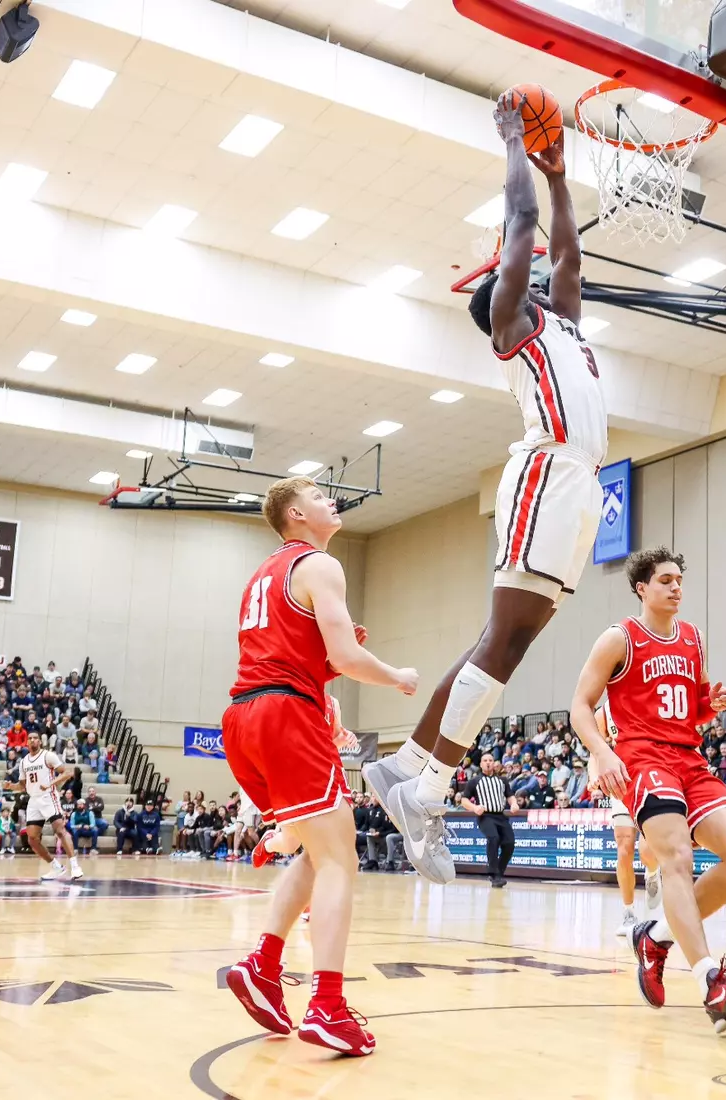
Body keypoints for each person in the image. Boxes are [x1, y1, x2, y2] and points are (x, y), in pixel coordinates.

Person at [365, 94, 606, 886]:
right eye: (520, 276)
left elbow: (566, 257)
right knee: (502, 642)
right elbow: (524, 230)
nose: (535, 277)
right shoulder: (512, 323)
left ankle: (406, 767)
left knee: (506, 643)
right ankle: (427, 791)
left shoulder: (561, 321)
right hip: (546, 474)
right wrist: (512, 146)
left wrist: (560, 174)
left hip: (578, 484)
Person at [221, 476, 417, 1056]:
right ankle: (327, 1005)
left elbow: (291, 656)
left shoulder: (263, 575)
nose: (332, 500)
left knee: (316, 850)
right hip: (284, 714)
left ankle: (263, 965)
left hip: (245, 717)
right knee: (339, 859)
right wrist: (398, 677)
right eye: (319, 496)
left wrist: (323, 684)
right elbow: (347, 656)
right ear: (297, 515)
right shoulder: (319, 565)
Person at [568, 547, 726, 1034]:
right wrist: (602, 752)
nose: (676, 587)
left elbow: (693, 710)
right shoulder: (619, 638)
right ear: (642, 588)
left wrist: (710, 705)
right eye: (665, 580)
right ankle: (711, 984)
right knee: (676, 857)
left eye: (679, 580)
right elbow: (579, 706)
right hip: (643, 759)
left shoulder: (693, 638)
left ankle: (654, 935)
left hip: (689, 759)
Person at [594, 706, 660, 936]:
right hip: (621, 782)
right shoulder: (603, 713)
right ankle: (628, 912)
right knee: (624, 849)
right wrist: (594, 777)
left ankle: (653, 872)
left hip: (650, 778)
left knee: (647, 850)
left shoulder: (647, 699)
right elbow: (595, 751)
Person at [12, 730, 83, 882]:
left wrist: (51, 784)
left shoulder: (48, 756)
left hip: (49, 797)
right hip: (34, 800)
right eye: (30, 738)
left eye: (35, 738)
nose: (32, 740)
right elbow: (22, 786)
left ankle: (75, 866)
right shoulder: (23, 762)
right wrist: (10, 786)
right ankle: (55, 866)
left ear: (40, 741)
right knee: (32, 839)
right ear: (27, 742)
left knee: (60, 830)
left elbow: (67, 773)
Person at [458, 753, 515, 888]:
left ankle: (498, 872)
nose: (488, 762)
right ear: (481, 764)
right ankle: (494, 874)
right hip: (485, 816)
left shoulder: (502, 780)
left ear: (494, 763)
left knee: (509, 843)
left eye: (490, 760)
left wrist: (514, 804)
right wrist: (474, 807)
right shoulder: (474, 781)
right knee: (493, 838)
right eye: (485, 760)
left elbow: (510, 795)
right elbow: (464, 800)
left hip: (501, 816)